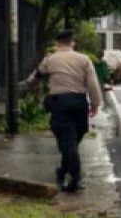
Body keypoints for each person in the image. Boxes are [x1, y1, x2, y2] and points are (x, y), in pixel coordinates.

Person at [29, 29, 102, 192]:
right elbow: (92, 83)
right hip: (79, 104)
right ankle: (69, 173)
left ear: (57, 44)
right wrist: (95, 104)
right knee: (75, 138)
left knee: (68, 142)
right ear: (72, 43)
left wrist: (32, 86)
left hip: (60, 104)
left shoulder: (50, 60)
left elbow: (37, 76)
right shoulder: (84, 59)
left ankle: (72, 175)